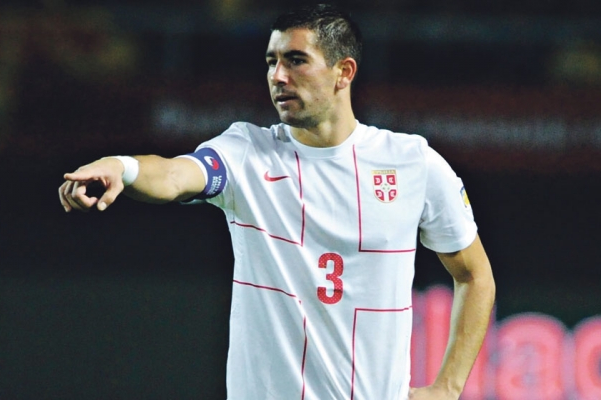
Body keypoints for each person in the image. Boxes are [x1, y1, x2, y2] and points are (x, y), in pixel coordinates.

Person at [59, 4, 495, 399]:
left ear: (344, 72)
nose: (278, 76)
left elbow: (475, 276)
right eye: (272, 61)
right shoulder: (245, 153)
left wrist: (448, 388)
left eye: (296, 60)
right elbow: (174, 175)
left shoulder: (413, 163)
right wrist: (122, 167)